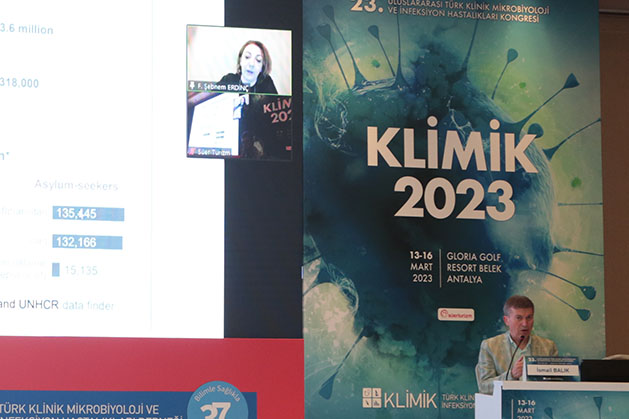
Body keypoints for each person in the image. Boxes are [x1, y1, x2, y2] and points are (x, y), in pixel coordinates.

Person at [475, 295, 558, 394]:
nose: (525, 324)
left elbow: (557, 384)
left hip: (540, 401)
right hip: (506, 402)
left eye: (529, 317)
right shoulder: (490, 346)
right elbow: (484, 386)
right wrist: (512, 375)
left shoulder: (548, 347)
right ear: (506, 320)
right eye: (519, 318)